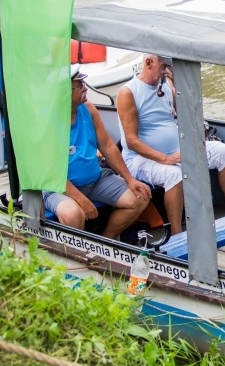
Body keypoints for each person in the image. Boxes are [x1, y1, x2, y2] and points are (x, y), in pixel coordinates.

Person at [117, 54, 225, 234]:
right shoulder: (129, 92)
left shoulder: (166, 85)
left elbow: (185, 115)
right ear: (149, 63)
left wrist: (177, 85)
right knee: (174, 175)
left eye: (169, 66)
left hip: (175, 150)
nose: (167, 70)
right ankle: (177, 234)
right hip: (140, 159)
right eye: (164, 66)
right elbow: (131, 141)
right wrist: (165, 159)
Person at [43, 67, 151, 239]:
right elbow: (52, 172)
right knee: (73, 214)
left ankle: (106, 241)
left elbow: (107, 146)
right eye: (79, 85)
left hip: (95, 179)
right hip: (59, 188)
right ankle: (79, 253)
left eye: (83, 83)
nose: (85, 88)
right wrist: (81, 199)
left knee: (140, 196)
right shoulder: (47, 122)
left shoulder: (88, 108)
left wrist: (130, 179)